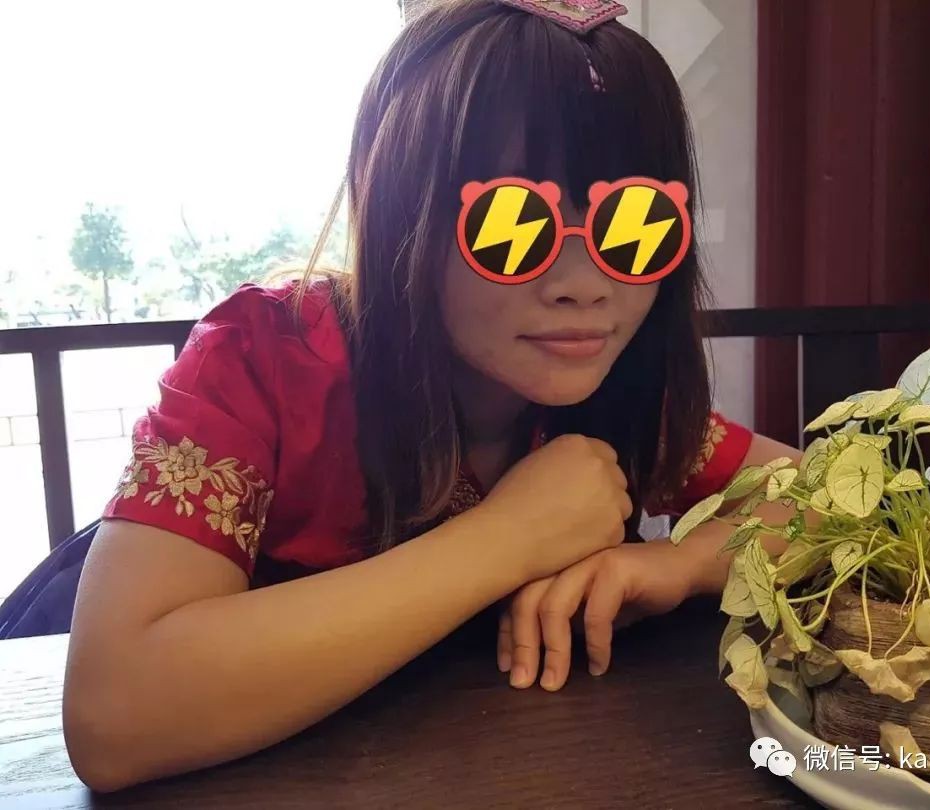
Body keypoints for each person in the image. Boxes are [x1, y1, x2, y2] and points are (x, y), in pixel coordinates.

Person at [62, 0, 799, 793]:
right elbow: (115, 716)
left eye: (635, 228)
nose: (587, 286)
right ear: (401, 214)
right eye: (514, 226)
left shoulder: (618, 386)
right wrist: (507, 537)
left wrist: (684, 563)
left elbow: (822, 498)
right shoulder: (263, 360)